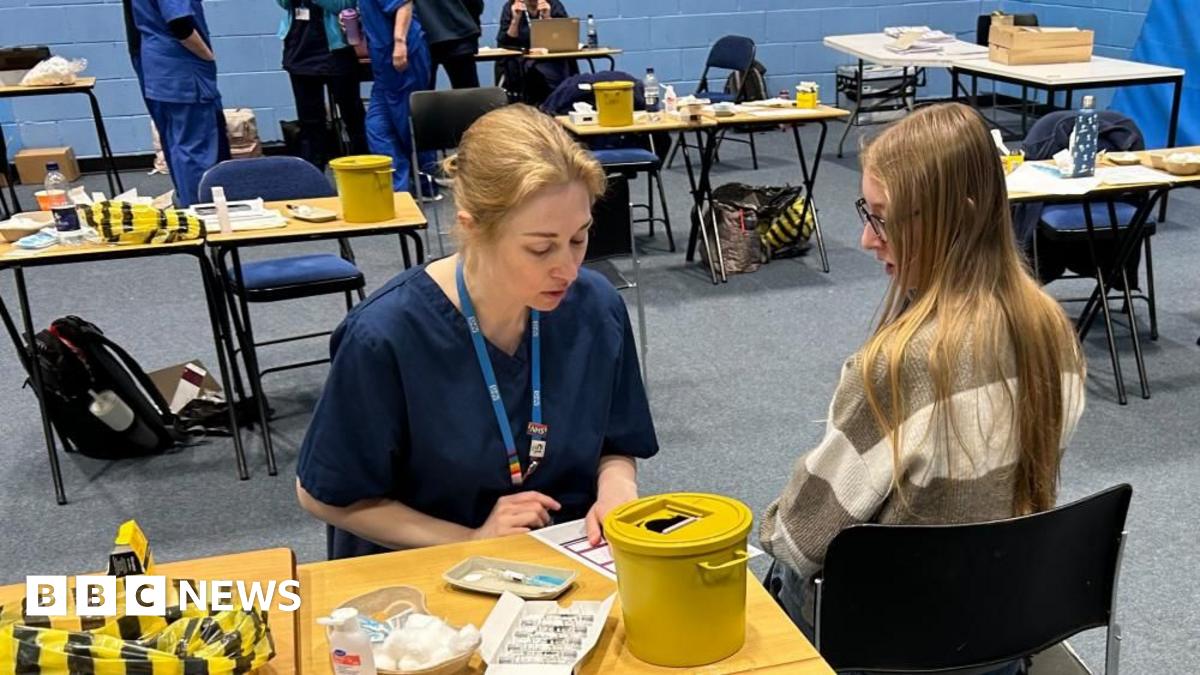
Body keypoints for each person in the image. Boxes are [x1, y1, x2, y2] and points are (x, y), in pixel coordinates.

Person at [759, 103, 1087, 671]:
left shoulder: (903, 363)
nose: (865, 239)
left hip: (896, 646)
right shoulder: (1051, 327)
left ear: (955, 216)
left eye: (884, 218)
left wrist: (775, 525)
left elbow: (801, 538)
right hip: (1005, 632)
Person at [296, 104, 658, 559]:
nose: (567, 268)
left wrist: (617, 490)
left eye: (580, 238)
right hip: (430, 575)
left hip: (562, 559)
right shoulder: (387, 335)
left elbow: (617, 442)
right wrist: (470, 540)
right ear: (472, 229)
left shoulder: (595, 307)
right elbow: (322, 494)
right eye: (541, 247)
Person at [122, 0, 230, 206]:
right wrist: (207, 55)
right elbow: (180, 26)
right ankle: (203, 210)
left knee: (177, 143)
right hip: (182, 68)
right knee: (196, 147)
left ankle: (188, 204)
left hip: (156, 68)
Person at [276, 0, 369, 169]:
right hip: (300, 48)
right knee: (310, 120)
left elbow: (342, 5)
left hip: (337, 50)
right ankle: (314, 173)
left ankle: (363, 166)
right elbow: (283, 3)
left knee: (352, 114)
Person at [358, 0, 430, 191]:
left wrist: (400, 43)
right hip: (383, 60)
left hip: (403, 58)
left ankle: (425, 181)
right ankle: (399, 188)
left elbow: (404, 4)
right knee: (376, 128)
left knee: (407, 126)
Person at [496, 0, 575, 104]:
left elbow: (563, 38)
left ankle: (559, 101)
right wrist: (515, 19)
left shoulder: (553, 5)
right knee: (532, 69)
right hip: (522, 58)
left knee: (562, 65)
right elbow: (505, 42)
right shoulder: (511, 6)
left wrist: (547, 18)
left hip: (550, 57)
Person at [415, 0, 484, 89]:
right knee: (468, 95)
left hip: (423, 33)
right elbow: (475, 5)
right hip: (459, 32)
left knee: (421, 97)